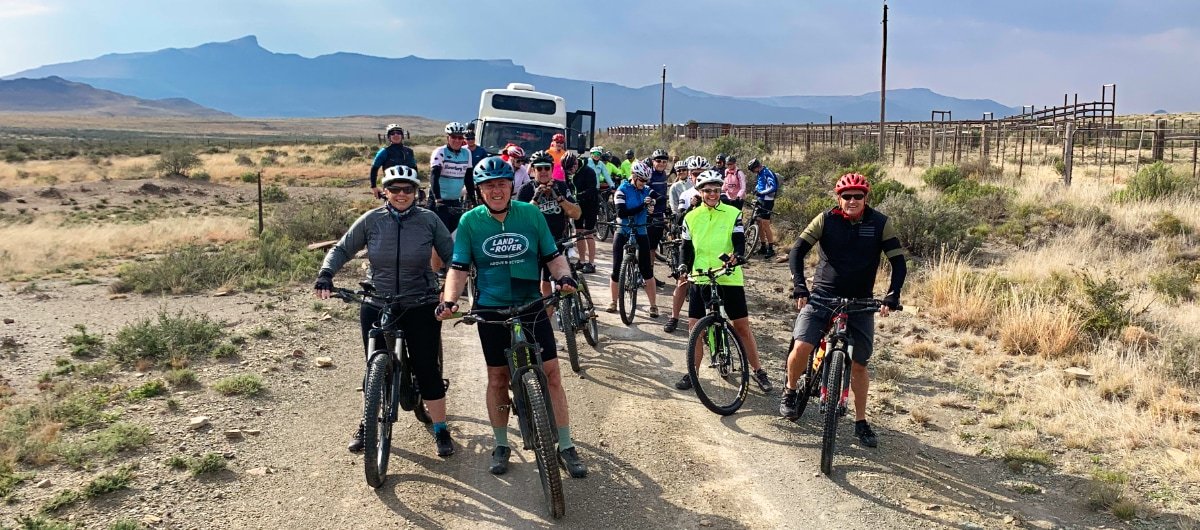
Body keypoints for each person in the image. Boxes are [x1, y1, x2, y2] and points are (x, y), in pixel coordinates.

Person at [435, 157, 587, 478]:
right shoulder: (470, 222)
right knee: (497, 379)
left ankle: (566, 444)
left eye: (502, 183)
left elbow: (553, 256)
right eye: (489, 185)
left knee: (553, 375)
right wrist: (450, 300)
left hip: (531, 303)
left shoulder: (530, 215)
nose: (496, 190)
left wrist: (564, 278)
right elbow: (460, 268)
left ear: (511, 186)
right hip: (491, 307)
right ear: (479, 191)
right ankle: (502, 443)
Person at [314, 165, 456, 457]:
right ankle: (368, 424)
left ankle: (440, 428)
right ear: (385, 192)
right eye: (395, 189)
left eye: (407, 189)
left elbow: (454, 256)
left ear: (416, 192)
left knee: (427, 368)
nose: (401, 194)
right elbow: (342, 249)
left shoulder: (429, 220)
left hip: (420, 300)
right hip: (378, 300)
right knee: (373, 365)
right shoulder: (371, 220)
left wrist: (449, 289)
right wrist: (326, 274)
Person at [778, 173, 907, 449]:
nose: (851, 201)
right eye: (846, 196)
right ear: (839, 198)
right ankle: (789, 391)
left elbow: (898, 262)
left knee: (860, 364)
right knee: (802, 346)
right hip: (823, 295)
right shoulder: (825, 219)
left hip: (860, 301)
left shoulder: (880, 223)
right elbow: (797, 251)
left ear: (865, 198)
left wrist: (892, 295)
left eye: (857, 196)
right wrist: (800, 286)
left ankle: (860, 422)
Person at [674, 170, 773, 393]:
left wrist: (737, 256)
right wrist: (682, 266)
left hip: (728, 276)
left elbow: (739, 240)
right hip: (700, 276)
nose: (712, 194)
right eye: (707, 190)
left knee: (742, 327)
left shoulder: (732, 213)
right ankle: (693, 372)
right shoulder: (691, 217)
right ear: (699, 192)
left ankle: (758, 371)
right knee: (694, 328)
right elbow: (686, 247)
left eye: (716, 190)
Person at [517, 150, 581, 310]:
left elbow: (577, 214)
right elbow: (520, 221)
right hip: (533, 244)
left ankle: (547, 321)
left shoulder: (561, 186)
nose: (543, 172)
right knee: (532, 286)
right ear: (533, 170)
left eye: (547, 168)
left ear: (552, 169)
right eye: (539, 168)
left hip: (556, 241)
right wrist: (536, 198)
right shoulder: (525, 190)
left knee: (548, 282)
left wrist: (560, 198)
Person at [607, 161, 659, 316]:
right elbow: (621, 213)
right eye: (642, 180)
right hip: (623, 229)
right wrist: (643, 206)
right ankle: (614, 301)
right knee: (616, 269)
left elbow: (656, 196)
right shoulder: (621, 190)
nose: (644, 183)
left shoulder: (646, 189)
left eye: (646, 181)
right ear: (634, 176)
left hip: (641, 229)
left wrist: (653, 202)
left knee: (647, 270)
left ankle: (653, 305)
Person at [663, 161, 701, 333]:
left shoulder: (715, 193)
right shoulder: (686, 194)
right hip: (690, 244)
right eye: (694, 174)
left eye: (700, 173)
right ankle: (674, 317)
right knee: (682, 282)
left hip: (708, 248)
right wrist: (692, 206)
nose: (697, 177)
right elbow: (678, 220)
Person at [430, 122, 476, 236]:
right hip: (440, 201)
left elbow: (468, 179)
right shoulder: (440, 152)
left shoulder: (467, 153)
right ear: (448, 138)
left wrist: (474, 201)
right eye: (453, 137)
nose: (457, 140)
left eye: (460, 137)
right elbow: (434, 177)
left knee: (454, 235)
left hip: (455, 201)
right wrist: (438, 200)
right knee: (440, 237)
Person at [565, 153, 600, 273]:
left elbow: (592, 189)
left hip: (590, 204)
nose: (570, 172)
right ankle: (582, 260)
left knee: (588, 233)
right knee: (578, 232)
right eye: (567, 170)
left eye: (571, 169)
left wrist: (577, 196)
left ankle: (591, 263)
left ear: (576, 164)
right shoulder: (568, 172)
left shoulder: (588, 171)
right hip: (577, 205)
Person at [369, 124, 417, 199]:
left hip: (408, 185)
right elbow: (374, 168)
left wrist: (416, 185)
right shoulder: (384, 151)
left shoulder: (409, 151)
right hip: (391, 185)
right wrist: (373, 186)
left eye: (398, 133)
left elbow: (414, 168)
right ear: (389, 137)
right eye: (392, 133)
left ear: (402, 136)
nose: (396, 135)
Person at [747, 158, 779, 259]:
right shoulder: (760, 173)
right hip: (760, 200)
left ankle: (771, 248)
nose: (753, 172)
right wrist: (756, 189)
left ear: (756, 167)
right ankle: (763, 246)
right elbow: (761, 184)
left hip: (767, 201)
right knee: (759, 223)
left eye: (752, 170)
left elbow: (773, 187)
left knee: (765, 225)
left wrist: (762, 192)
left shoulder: (767, 172)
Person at [646, 149, 672, 267]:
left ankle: (650, 275)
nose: (661, 163)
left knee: (652, 247)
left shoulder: (663, 175)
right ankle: (642, 275)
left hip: (659, 213)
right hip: (648, 214)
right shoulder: (649, 174)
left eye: (664, 161)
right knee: (646, 247)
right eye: (658, 161)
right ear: (653, 161)